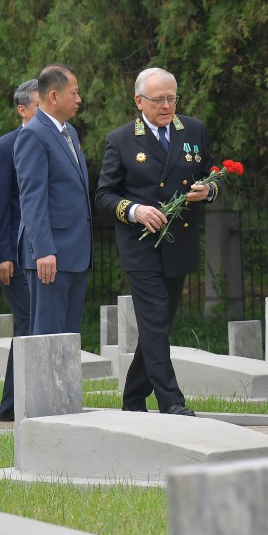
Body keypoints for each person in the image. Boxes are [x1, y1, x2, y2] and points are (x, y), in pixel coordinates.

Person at [94, 68, 218, 417]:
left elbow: (211, 173)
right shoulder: (121, 139)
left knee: (161, 322)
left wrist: (208, 191)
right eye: (158, 100)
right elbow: (104, 195)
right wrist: (134, 210)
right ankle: (171, 401)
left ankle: (133, 398)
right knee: (154, 322)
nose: (166, 106)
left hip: (178, 241)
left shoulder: (192, 129)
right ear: (139, 101)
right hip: (141, 244)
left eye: (172, 98)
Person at [14, 64, 93, 336]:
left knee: (68, 334)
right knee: (48, 335)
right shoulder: (33, 134)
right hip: (51, 255)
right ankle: (45, 382)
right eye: (75, 93)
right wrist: (44, 250)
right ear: (54, 97)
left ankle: (66, 382)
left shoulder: (68, 130)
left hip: (74, 251)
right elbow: (32, 198)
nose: (79, 99)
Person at [0, 79, 37, 422]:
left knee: (34, 324)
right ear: (22, 109)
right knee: (29, 321)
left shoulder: (58, 140)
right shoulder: (6, 147)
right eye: (38, 105)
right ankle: (13, 405)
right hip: (15, 256)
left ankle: (20, 402)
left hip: (44, 254)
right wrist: (0, 255)